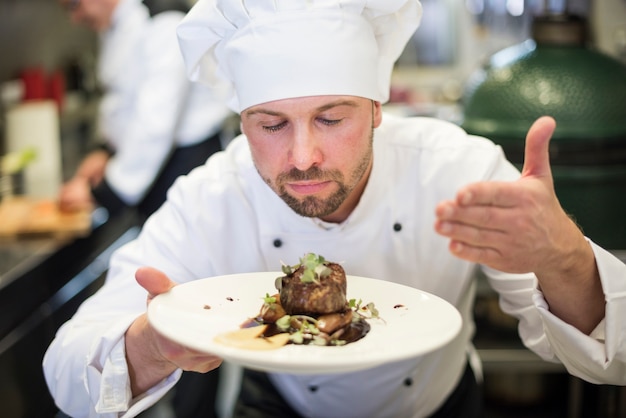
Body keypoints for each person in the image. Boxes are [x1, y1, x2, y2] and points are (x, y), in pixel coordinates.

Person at [43, 1, 626, 417]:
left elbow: (613, 360)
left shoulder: (456, 169)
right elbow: (68, 372)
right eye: (270, 125)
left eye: (331, 118)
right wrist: (150, 346)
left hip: (437, 406)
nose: (303, 157)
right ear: (242, 123)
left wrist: (564, 257)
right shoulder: (215, 195)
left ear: (376, 108)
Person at [57, 0, 233, 221]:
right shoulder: (116, 24)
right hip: (155, 168)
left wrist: (104, 192)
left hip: (186, 167)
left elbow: (157, 122)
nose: (74, 19)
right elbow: (123, 100)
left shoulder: (163, 20)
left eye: (74, 5)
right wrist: (105, 151)